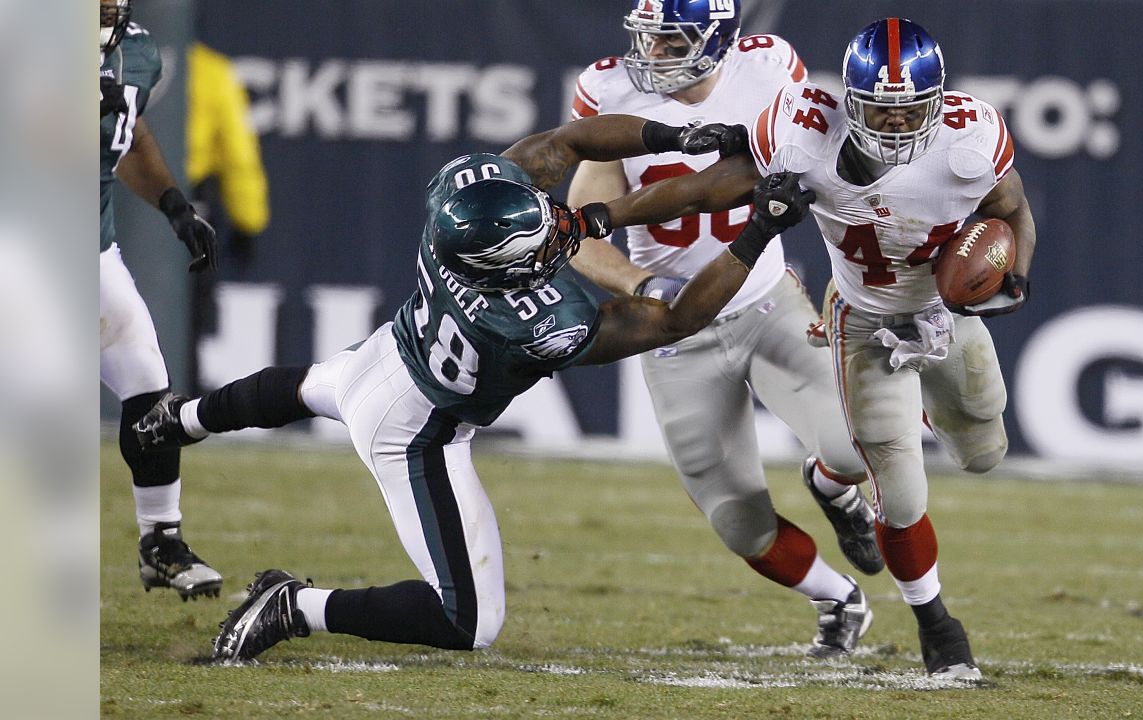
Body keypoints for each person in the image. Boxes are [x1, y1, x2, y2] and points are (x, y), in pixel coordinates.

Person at [133, 113, 816, 662]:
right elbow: (680, 318)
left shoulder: (454, 209)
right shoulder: (529, 325)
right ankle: (295, 606)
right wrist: (758, 232)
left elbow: (572, 139)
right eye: (542, 245)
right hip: (417, 430)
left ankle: (179, 419)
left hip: (389, 353)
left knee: (310, 386)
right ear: (506, 274)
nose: (558, 235)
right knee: (468, 620)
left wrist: (677, 137)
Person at [600, 17, 1038, 680]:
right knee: (900, 487)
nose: (894, 127)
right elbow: (712, 186)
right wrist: (602, 216)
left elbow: (1013, 211)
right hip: (864, 321)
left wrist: (1016, 274)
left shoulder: (972, 137)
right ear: (849, 102)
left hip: (943, 312)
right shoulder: (802, 130)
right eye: (878, 112)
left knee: (984, 452)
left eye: (909, 111)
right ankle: (938, 626)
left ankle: (830, 476)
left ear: (939, 101)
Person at [566, 0, 880, 658]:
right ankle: (837, 598)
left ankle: (832, 490)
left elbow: (823, 170)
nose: (650, 55)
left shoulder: (767, 71)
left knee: (855, 448)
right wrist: (642, 286)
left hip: (764, 300)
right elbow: (579, 231)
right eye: (645, 40)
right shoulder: (608, 90)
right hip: (673, 328)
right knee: (738, 521)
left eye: (670, 40)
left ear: (717, 39)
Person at [99, 0, 222, 600]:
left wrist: (175, 204)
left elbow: (130, 133)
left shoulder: (136, 52)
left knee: (149, 384)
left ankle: (160, 542)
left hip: (87, 254)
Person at [186, 40, 271, 389]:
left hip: (111, 201)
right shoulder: (208, 70)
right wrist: (247, 220)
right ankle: (173, 409)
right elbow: (238, 154)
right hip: (184, 207)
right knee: (184, 320)